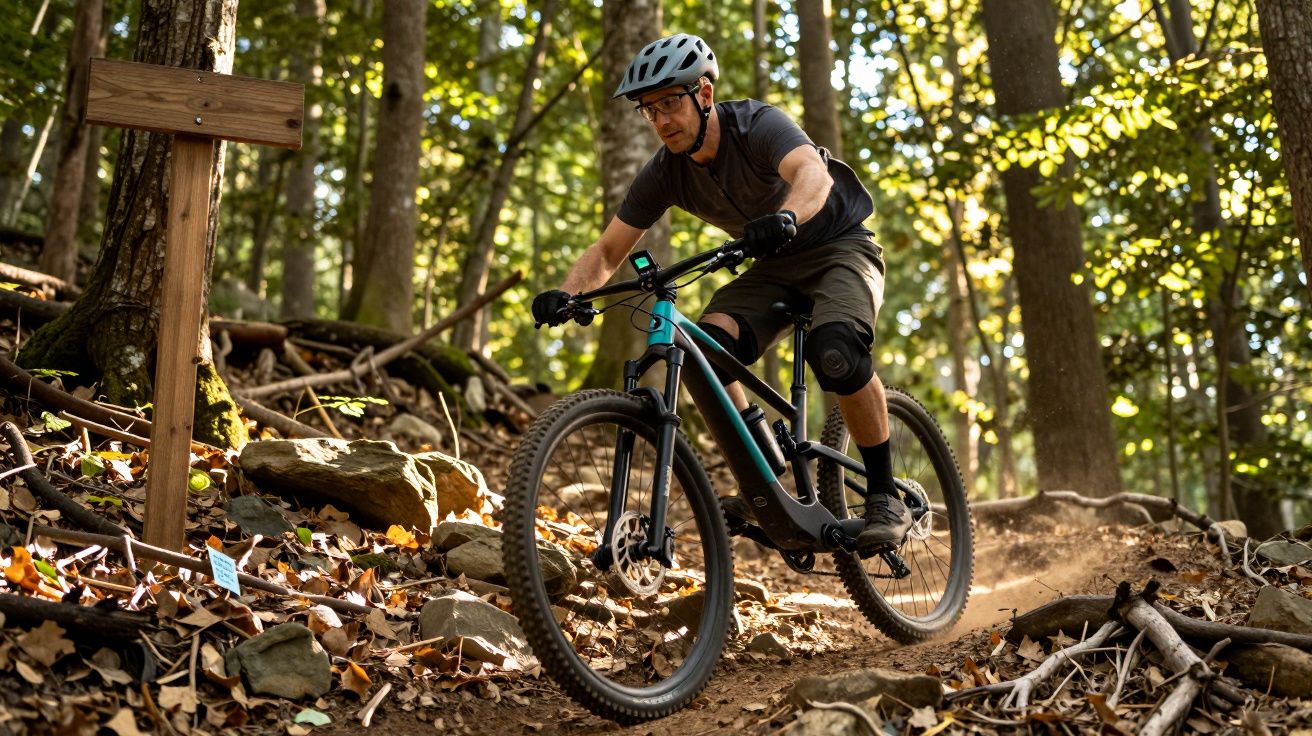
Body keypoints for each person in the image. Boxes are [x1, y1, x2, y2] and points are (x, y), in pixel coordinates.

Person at [531, 33, 910, 549]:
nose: (662, 120)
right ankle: (764, 476)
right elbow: (606, 252)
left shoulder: (756, 124)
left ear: (704, 95)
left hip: (839, 246)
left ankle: (885, 495)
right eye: (650, 110)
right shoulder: (665, 172)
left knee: (837, 349)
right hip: (773, 264)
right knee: (708, 351)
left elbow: (812, 174)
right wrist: (567, 293)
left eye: (671, 103)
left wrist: (786, 216)